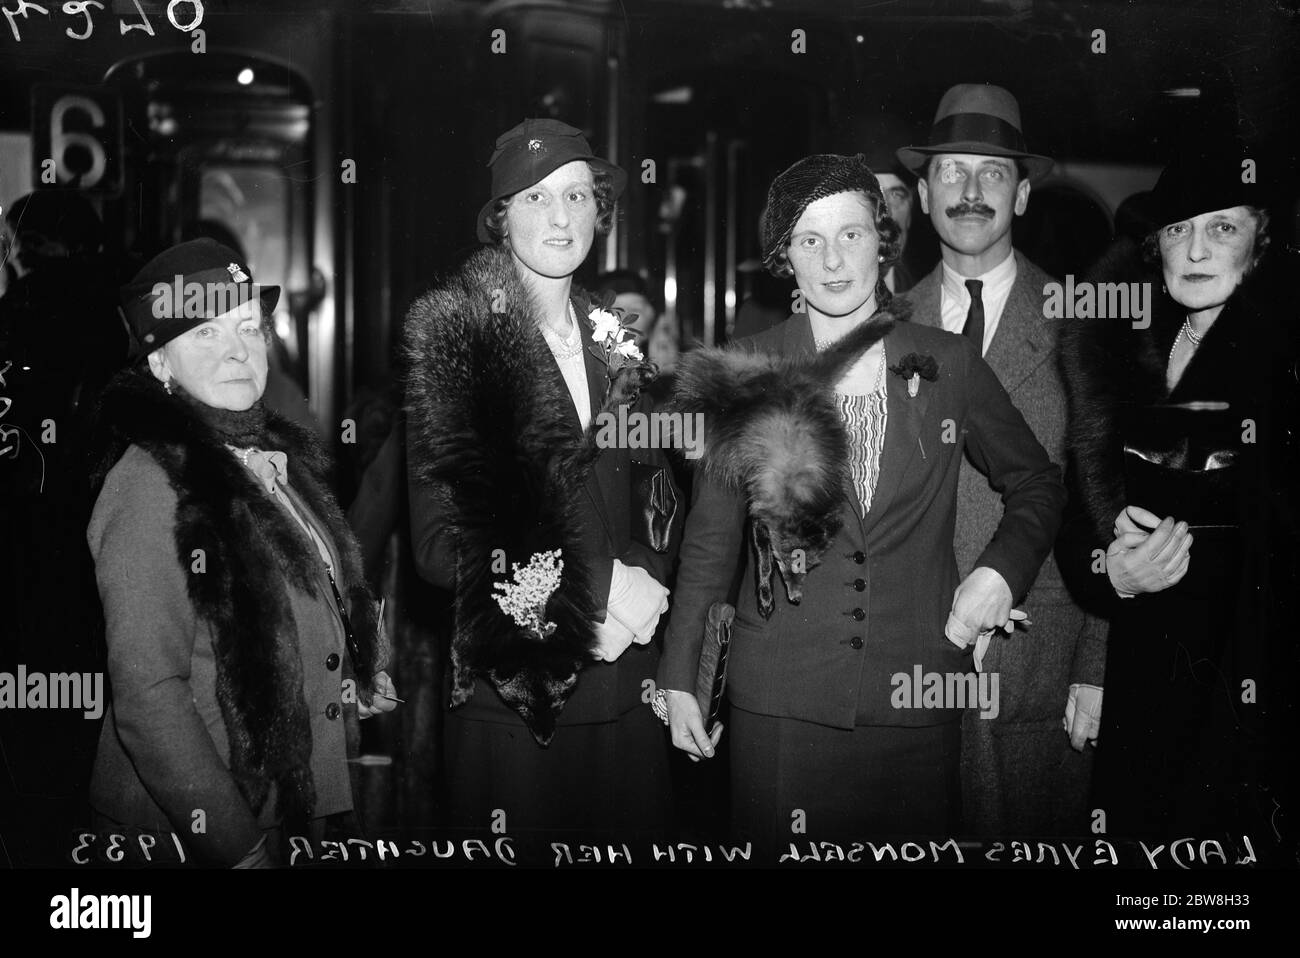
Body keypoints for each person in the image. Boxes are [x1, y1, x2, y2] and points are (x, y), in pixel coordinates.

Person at [659, 153, 1065, 851]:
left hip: (914, 700)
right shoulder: (748, 368)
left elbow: (1037, 482)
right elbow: (708, 544)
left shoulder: (949, 362)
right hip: (782, 706)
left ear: (884, 238)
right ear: (785, 257)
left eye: (851, 233)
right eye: (809, 240)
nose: (833, 259)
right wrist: (677, 681)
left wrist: (999, 573)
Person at [404, 119, 681, 839]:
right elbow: (440, 546)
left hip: (628, 683)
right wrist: (598, 588)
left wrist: (646, 582)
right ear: (500, 219)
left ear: (601, 212)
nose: (561, 216)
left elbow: (658, 494)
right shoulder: (456, 339)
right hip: (518, 701)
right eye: (535, 198)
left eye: (578, 195)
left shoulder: (613, 338)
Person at [85, 239, 395, 866]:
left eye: (249, 327)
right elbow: (150, 698)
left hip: (280, 808)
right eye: (205, 333)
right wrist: (239, 849)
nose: (237, 350)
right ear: (159, 365)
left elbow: (295, 610)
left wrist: (349, 676)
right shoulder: (151, 485)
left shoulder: (265, 459)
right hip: (196, 832)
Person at [1060, 146, 1299, 857]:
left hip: (1248, 682)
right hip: (1141, 680)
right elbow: (1076, 517)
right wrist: (1112, 571)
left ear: (1258, 243)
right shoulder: (1119, 354)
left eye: (1221, 229)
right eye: (1177, 230)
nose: (1194, 250)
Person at [900, 84, 1102, 835]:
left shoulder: (1080, 323)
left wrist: (1098, 666)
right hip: (908, 661)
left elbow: (1108, 503)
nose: (972, 192)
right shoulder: (883, 324)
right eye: (952, 172)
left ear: (1021, 196)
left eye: (993, 173)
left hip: (1038, 662)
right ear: (922, 195)